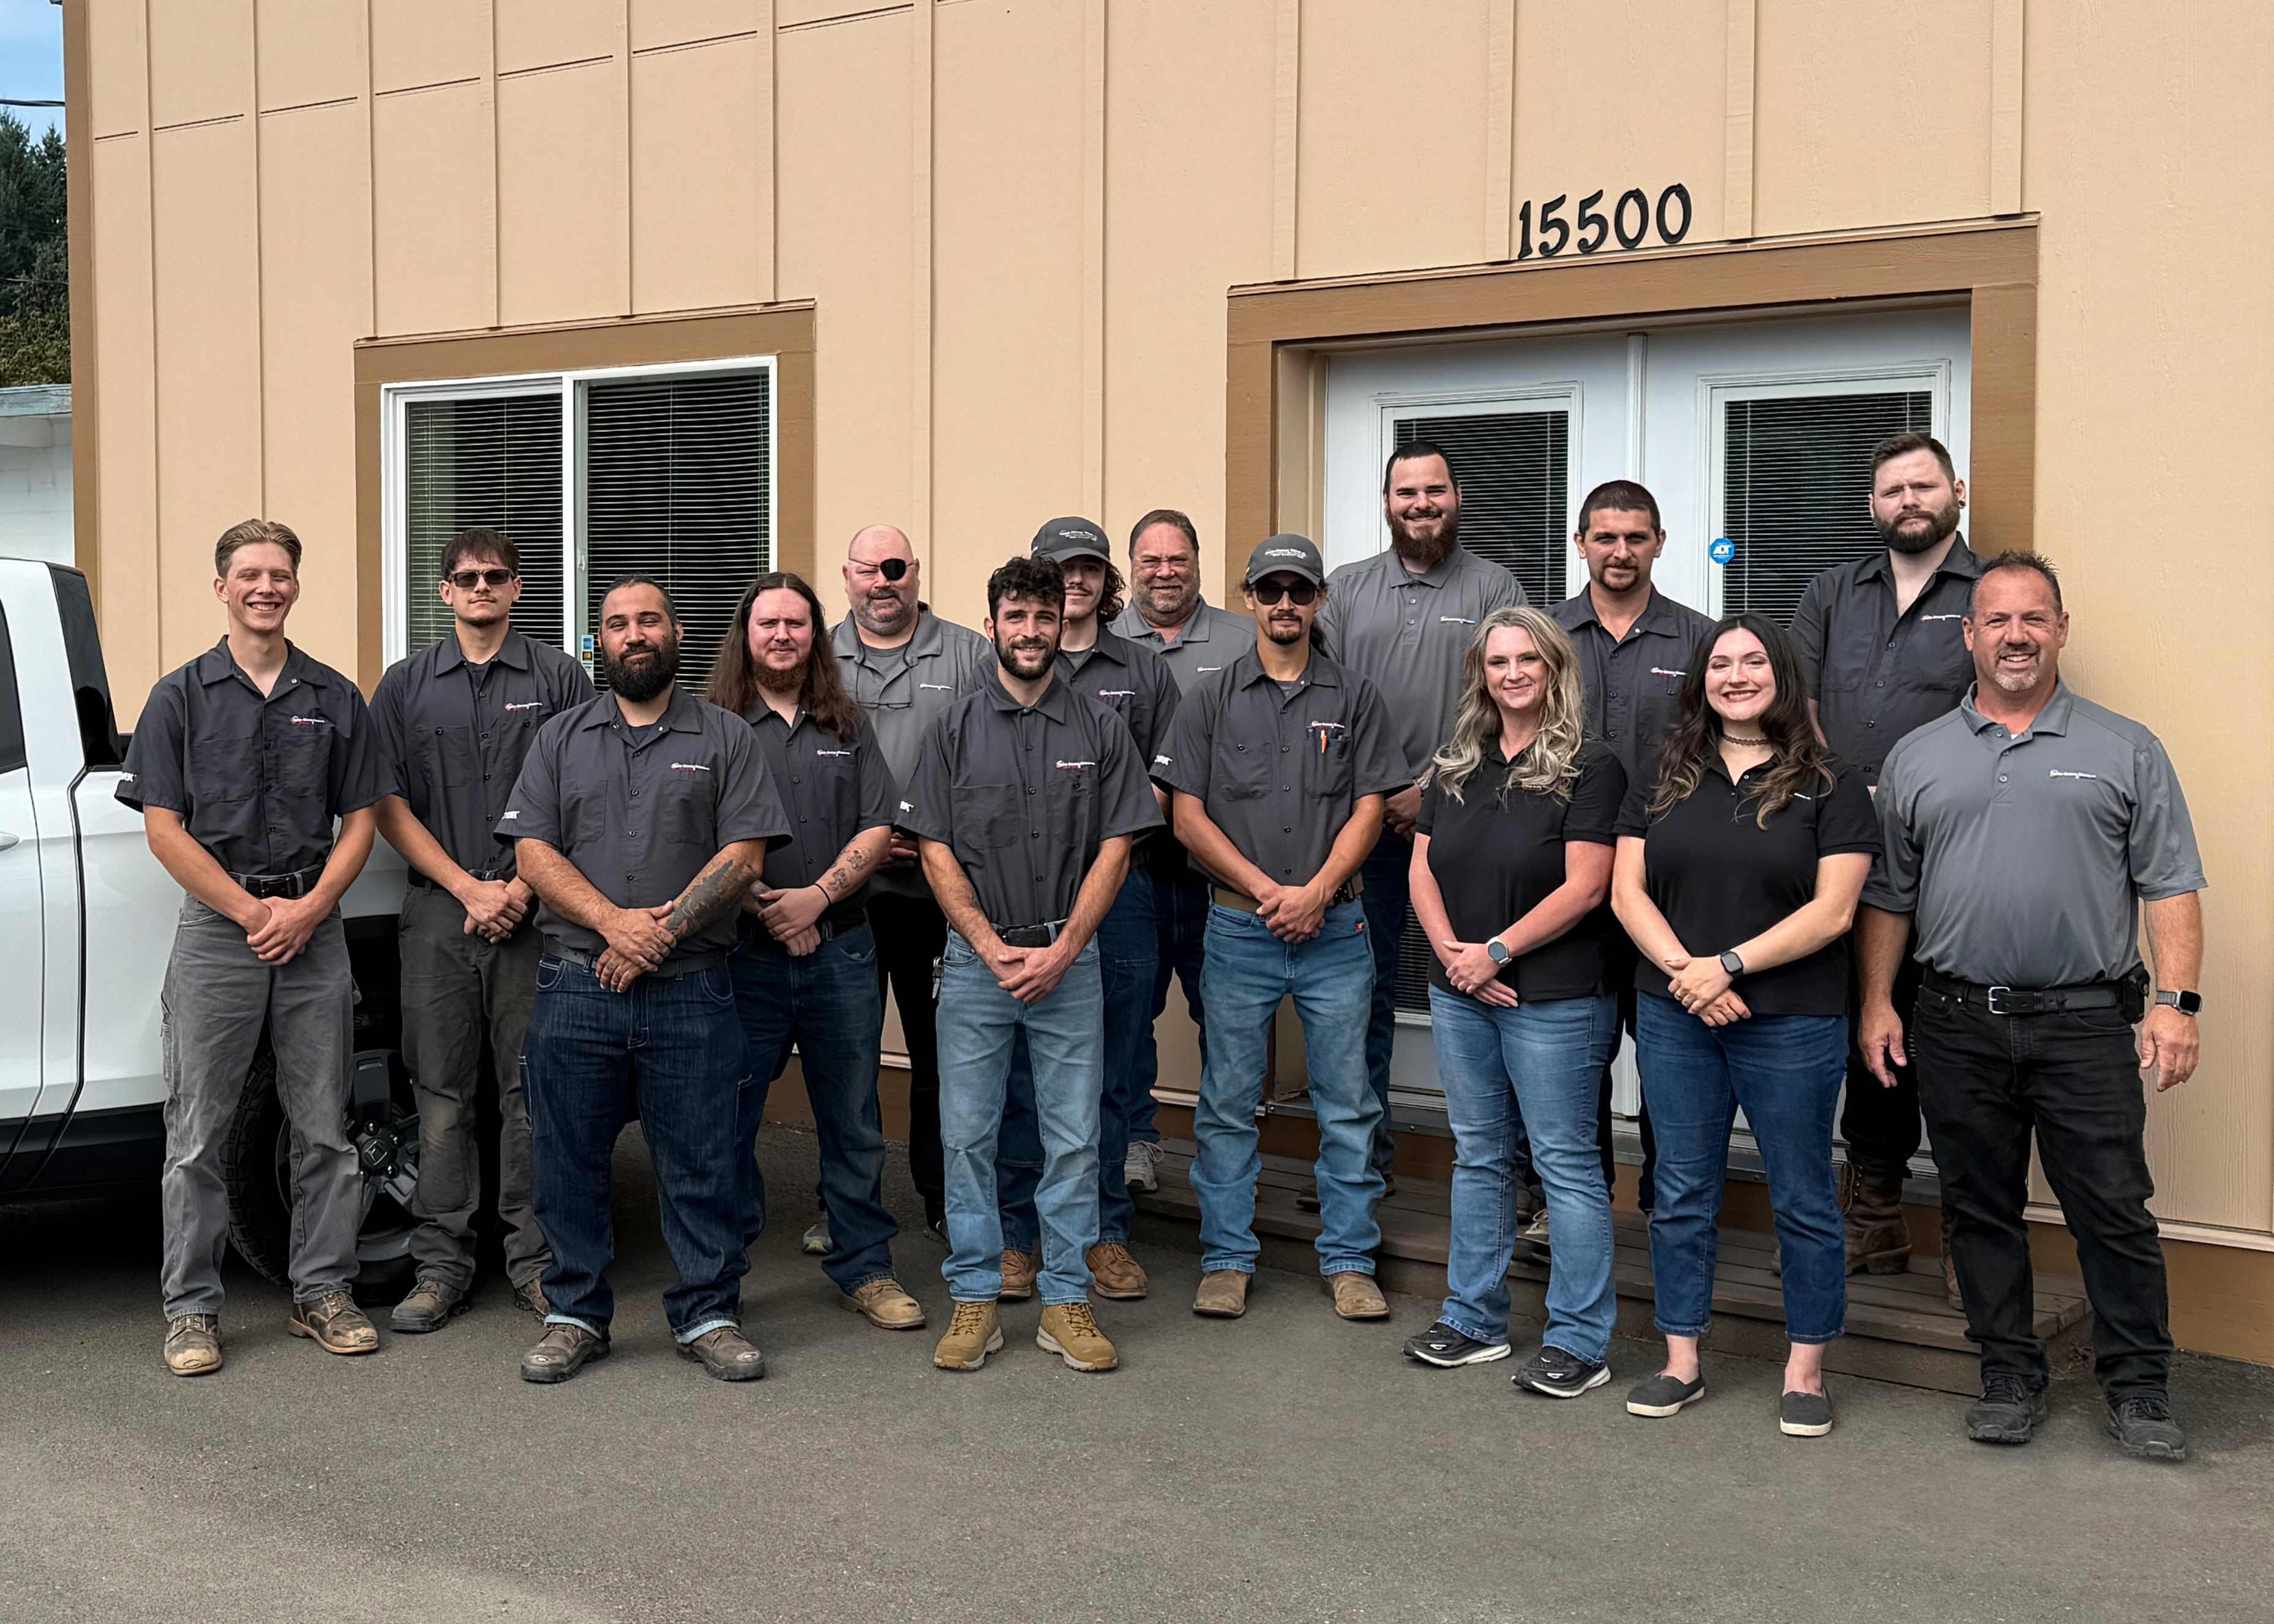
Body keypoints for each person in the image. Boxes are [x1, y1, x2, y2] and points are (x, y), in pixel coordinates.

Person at [1858, 552, 2204, 1462]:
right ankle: (2008, 1373)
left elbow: (2169, 882)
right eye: (1999, 621)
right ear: (1969, 635)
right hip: (1954, 1020)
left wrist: (2176, 1004)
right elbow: (1890, 896)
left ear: (2060, 629)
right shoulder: (1918, 756)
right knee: (1978, 1205)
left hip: (2085, 1022)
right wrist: (1877, 1002)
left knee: (2113, 1209)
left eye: (2034, 619)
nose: (2017, 637)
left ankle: (2138, 1387)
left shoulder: (2126, 748)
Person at [503, 577, 789, 1385]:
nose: (635, 634)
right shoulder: (560, 738)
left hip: (693, 988)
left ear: (677, 632)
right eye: (618, 624)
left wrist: (655, 936)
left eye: (649, 620)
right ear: (600, 642)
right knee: (566, 1161)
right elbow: (532, 853)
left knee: (703, 1162)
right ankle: (574, 1314)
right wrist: (613, 923)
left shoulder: (727, 736)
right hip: (576, 986)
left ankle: (707, 1312)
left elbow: (744, 857)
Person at [121, 518, 383, 1376]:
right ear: (222, 587)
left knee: (325, 1128)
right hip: (218, 933)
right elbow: (164, 829)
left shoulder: (335, 697)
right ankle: (192, 1309)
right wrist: (251, 912)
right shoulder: (178, 697)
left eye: (280, 574)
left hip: (314, 928)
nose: (266, 587)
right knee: (198, 1131)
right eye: (250, 574)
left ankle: (322, 1292)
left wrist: (309, 909)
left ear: (296, 587)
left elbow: (361, 820)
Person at [1610, 613, 1878, 1437]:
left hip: (1790, 1020)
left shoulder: (1831, 782)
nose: (1736, 675)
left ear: (1780, 675)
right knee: (1680, 1190)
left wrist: (1725, 966)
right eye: (1720, 663)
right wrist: (1688, 975)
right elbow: (1627, 892)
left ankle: (1805, 1371)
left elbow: (1834, 912)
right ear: (1701, 681)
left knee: (1802, 1194)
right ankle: (1680, 1360)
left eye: (1753, 661)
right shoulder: (1663, 774)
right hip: (1675, 1016)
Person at [899, 554, 1161, 1374]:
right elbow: (933, 849)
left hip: (1067, 961)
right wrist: (986, 944)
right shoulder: (950, 729)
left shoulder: (1099, 728)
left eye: (1044, 616)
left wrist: (1066, 948)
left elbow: (1116, 846)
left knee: (1075, 1140)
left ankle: (1066, 1302)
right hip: (976, 965)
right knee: (968, 1137)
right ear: (991, 625)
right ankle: (976, 1299)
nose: (1030, 630)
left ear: (1062, 624)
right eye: (1015, 616)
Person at [1154, 533, 1406, 1321]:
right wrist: (1269, 891)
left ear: (1320, 599)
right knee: (1228, 1101)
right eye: (1271, 591)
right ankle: (1227, 1258)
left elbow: (1372, 807)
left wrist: (1318, 892)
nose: (1286, 604)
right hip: (1239, 930)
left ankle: (1351, 1260)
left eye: (1300, 590)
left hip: (1337, 931)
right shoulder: (1210, 699)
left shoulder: (1357, 696)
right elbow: (1185, 816)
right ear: (1251, 599)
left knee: (1349, 1101)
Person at [371, 528, 595, 1334]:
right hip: (441, 911)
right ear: (444, 592)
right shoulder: (404, 686)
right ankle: (442, 1265)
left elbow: (583, 791)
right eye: (465, 578)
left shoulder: (560, 678)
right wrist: (469, 887)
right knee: (439, 1097)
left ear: (517, 587)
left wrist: (520, 889)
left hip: (536, 913)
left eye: (494, 576)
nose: (480, 588)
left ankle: (537, 1263)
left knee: (533, 1094)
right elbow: (387, 803)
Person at [1403, 607, 1626, 1396]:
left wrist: (1495, 951)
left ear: (1555, 668)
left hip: (1555, 998)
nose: (1513, 673)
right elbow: (1422, 868)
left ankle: (1580, 1340)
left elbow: (1588, 886)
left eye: (1528, 659)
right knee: (1480, 1154)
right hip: (1460, 990)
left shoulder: (1591, 764)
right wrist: (1454, 957)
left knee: (1564, 1163)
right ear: (1481, 675)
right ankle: (1473, 1319)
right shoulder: (1457, 761)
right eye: (1498, 662)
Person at [708, 571, 926, 1333]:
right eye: (768, 623)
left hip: (842, 951)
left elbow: (877, 827)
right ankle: (718, 1279)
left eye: (796, 624)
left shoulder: (848, 723)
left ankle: (865, 1267)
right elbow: (697, 832)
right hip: (744, 955)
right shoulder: (713, 726)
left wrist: (817, 899)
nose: (782, 636)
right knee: (730, 1118)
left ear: (815, 635)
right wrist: (769, 907)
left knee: (854, 1118)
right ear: (746, 635)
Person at [1789, 432, 1982, 1284]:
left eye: (1923, 486)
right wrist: (1838, 794)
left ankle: (1973, 1236)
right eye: (1893, 490)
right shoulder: (1832, 590)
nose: (1909, 501)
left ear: (1957, 491)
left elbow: (2000, 705)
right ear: (1872, 505)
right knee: (1859, 1024)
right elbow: (1793, 697)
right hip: (1839, 849)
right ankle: (1872, 1214)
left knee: (1947, 1035)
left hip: (1951, 852)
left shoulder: (1989, 594)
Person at [1318, 441, 1523, 1196]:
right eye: (1407, 492)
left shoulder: (1495, 585)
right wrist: (1383, 795)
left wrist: (1428, 788)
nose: (1422, 504)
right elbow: (1326, 702)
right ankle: (1361, 1163)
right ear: (1386, 502)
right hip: (1364, 827)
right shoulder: (1345, 589)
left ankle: (1503, 1169)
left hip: (1466, 822)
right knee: (1361, 995)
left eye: (1435, 490)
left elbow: (1509, 699)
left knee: (1485, 982)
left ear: (1457, 497)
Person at [996, 518, 1180, 1303]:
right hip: (1021, 892)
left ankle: (1103, 1232)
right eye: (1061, 569)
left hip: (1122, 889)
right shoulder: (1003, 662)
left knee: (1109, 1066)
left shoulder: (1142, 670)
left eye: (1090, 569)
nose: (1076, 581)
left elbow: (1167, 781)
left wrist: (1106, 854)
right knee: (1018, 1072)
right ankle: (1016, 1237)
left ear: (1109, 582)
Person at [1550, 478, 1714, 1231]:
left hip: (1667, 882)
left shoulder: (1700, 641)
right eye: (1606, 537)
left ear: (1659, 544)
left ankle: (1665, 1203)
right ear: (1581, 543)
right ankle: (1567, 1204)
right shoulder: (1545, 637)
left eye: (1636, 537)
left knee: (1669, 1051)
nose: (1621, 551)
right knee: (1572, 1051)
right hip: (1564, 876)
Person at [834, 525, 991, 1242]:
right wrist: (866, 841)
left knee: (940, 1058)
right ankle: (845, 1206)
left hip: (938, 896)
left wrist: (925, 834)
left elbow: (990, 761)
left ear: (917, 572)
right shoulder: (818, 657)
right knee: (848, 1057)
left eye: (895, 568)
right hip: (847, 897)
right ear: (847, 577)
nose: (883, 582)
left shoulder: (967, 655)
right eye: (869, 570)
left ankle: (942, 1197)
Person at [1110, 507, 1255, 1197]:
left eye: (1178, 559)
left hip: (1219, 871)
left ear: (1199, 562)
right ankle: (1137, 1139)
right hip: (1131, 871)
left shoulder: (1243, 639)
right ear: (1131, 567)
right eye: (1151, 560)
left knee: (1225, 1019)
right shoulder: (1101, 643)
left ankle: (1227, 1156)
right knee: (1127, 1017)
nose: (1165, 572)